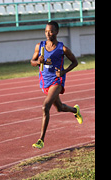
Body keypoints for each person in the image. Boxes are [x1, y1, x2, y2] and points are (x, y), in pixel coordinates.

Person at [30, 21, 83, 149]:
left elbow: (75, 62)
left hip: (57, 81)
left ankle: (40, 140)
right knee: (59, 108)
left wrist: (64, 71)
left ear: (57, 32)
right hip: (45, 81)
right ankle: (75, 110)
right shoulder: (40, 46)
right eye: (46, 31)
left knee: (45, 107)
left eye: (51, 31)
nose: (48, 34)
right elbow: (31, 61)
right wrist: (38, 62)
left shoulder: (62, 48)